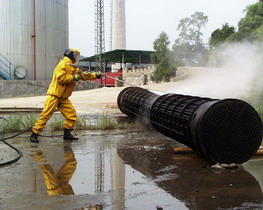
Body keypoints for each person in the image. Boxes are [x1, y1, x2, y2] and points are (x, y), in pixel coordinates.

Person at [30, 48, 102, 143]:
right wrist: (73, 77)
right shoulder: (63, 64)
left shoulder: (73, 67)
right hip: (54, 95)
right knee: (46, 115)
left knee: (71, 115)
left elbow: (82, 75)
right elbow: (60, 78)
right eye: (75, 55)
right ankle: (34, 134)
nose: (76, 57)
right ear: (70, 55)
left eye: (77, 56)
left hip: (63, 98)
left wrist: (95, 75)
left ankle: (67, 135)